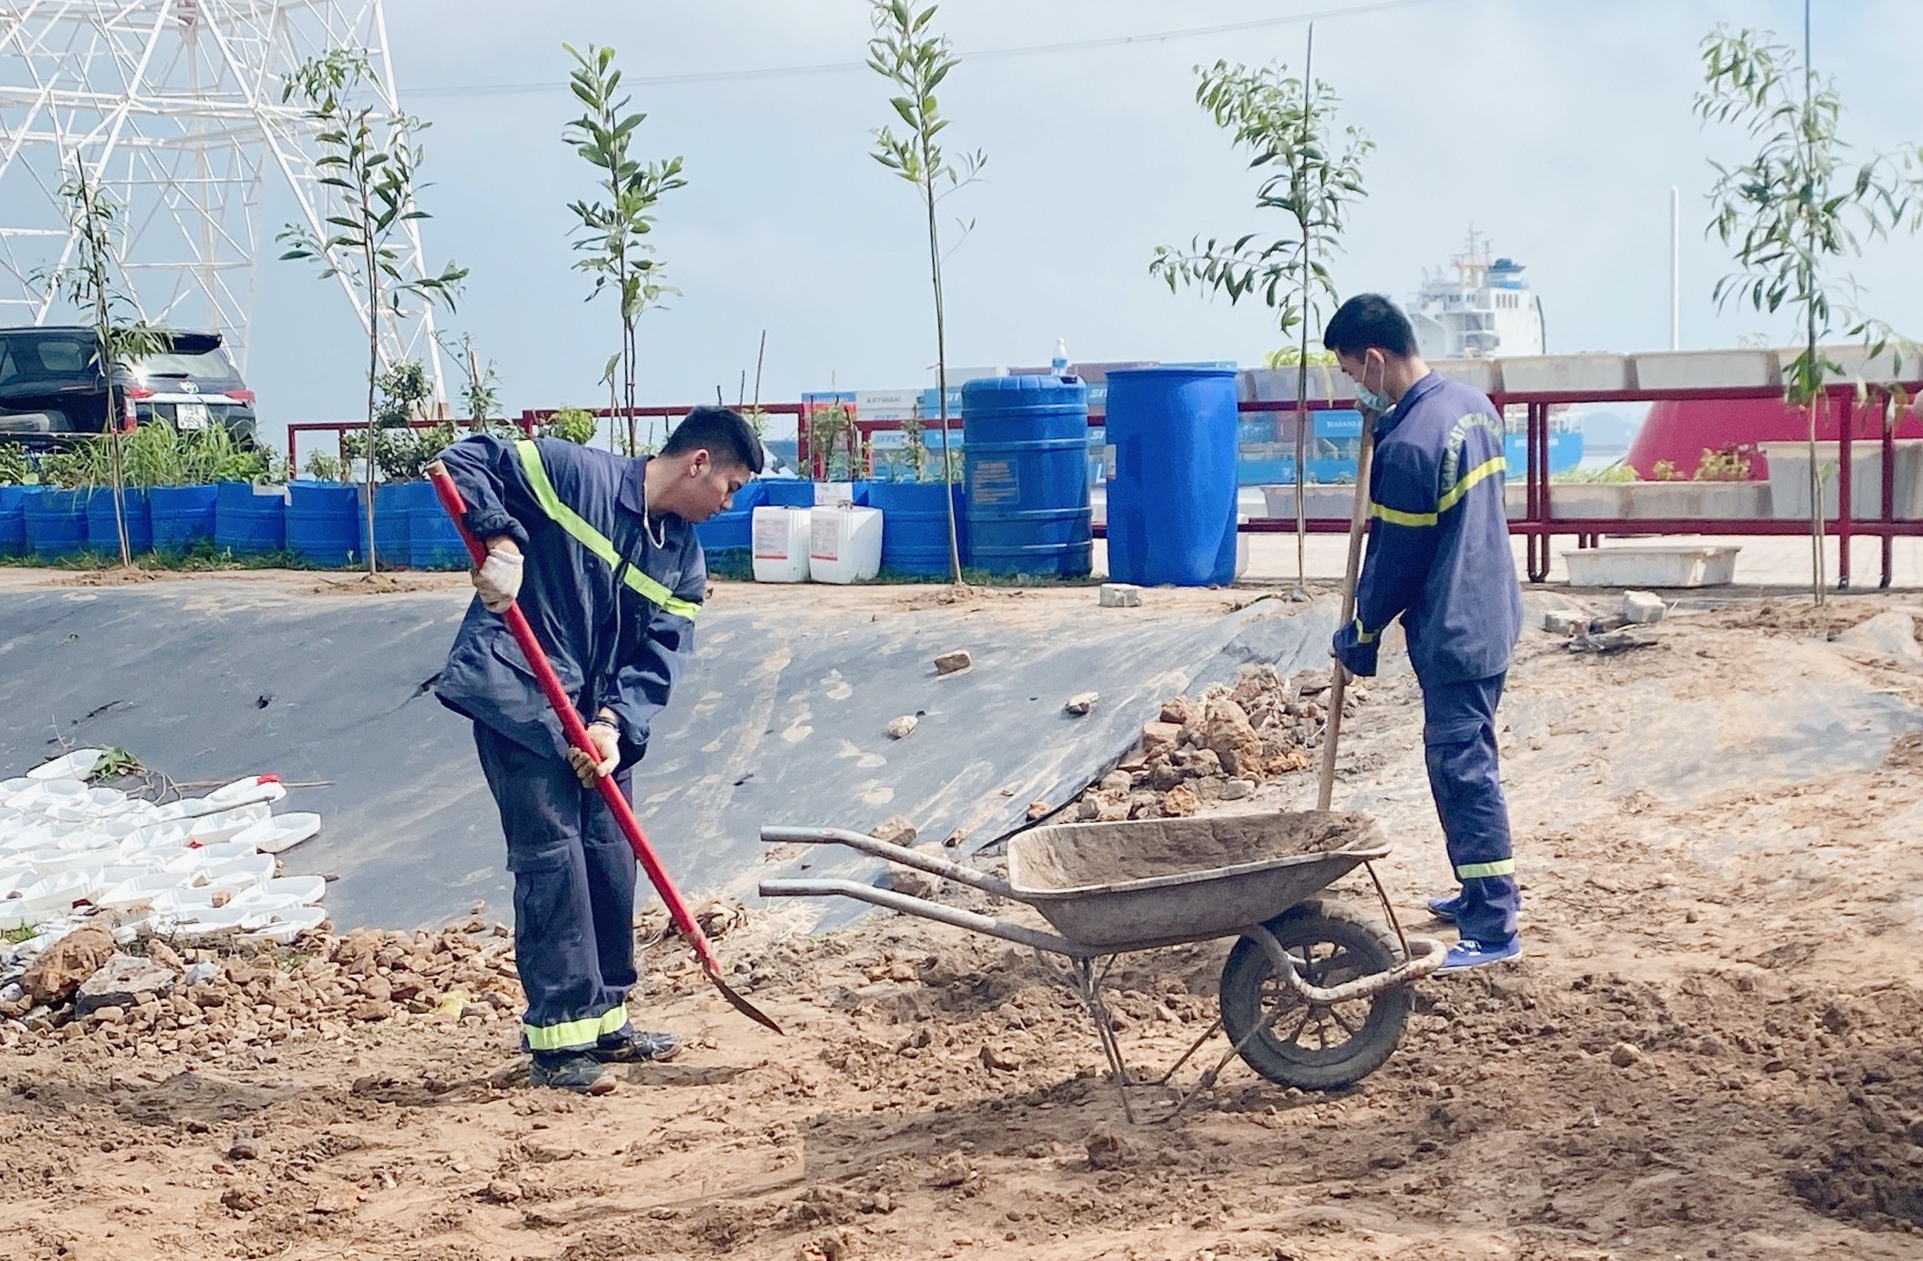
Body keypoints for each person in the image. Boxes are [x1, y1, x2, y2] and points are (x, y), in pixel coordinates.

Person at [434, 407, 763, 1092]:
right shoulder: (571, 474)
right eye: (729, 487)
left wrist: (614, 726)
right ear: (697, 462)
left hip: (592, 723)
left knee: (610, 855)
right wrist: (500, 542)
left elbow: (658, 657)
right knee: (552, 857)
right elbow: (463, 458)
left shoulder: (681, 557)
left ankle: (605, 1016)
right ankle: (558, 1041)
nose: (727, 503)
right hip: (522, 694)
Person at [1322, 294, 1524, 973]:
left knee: (1461, 770)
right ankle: (1474, 890)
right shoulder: (1471, 407)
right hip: (1492, 609)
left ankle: (1493, 925)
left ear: (1374, 359)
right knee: (1465, 758)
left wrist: (1362, 628)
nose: (1356, 388)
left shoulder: (1408, 444)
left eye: (1353, 374)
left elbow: (1395, 561)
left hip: (1454, 627)